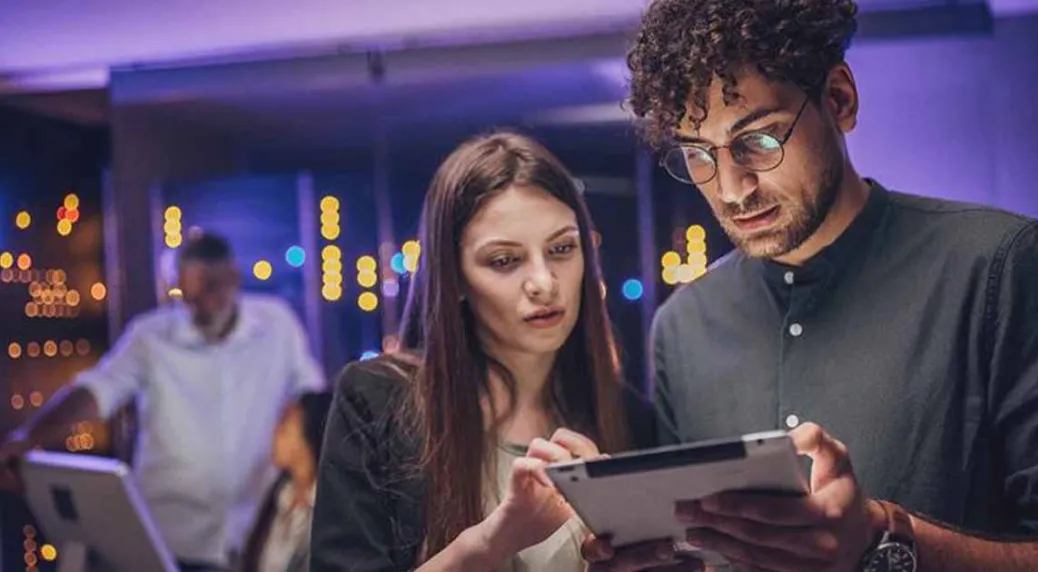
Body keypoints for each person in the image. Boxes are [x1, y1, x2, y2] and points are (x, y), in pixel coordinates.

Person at [578, 0, 1038, 570]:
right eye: (698, 155)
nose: (731, 189)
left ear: (839, 99)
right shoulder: (682, 326)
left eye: (760, 140)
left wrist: (884, 537)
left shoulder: (1004, 269)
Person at [309, 131, 658, 571]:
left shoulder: (629, 418)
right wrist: (496, 539)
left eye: (562, 249)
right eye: (505, 261)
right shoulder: (379, 401)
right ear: (454, 278)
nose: (544, 282)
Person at [0, 232, 326, 571]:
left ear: (233, 277)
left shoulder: (277, 325)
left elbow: (311, 400)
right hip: (168, 543)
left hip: (253, 541)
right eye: (188, 296)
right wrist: (30, 437)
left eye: (208, 291)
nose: (198, 307)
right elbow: (96, 391)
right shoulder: (149, 337)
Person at [242, 391, 333, 572]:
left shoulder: (330, 514)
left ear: (309, 438)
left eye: (285, 426)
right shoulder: (278, 496)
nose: (274, 431)